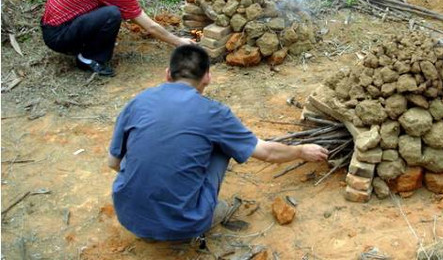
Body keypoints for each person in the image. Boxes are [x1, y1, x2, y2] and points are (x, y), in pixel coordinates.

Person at [107, 45, 328, 242]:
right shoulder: (214, 113)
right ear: (207, 77)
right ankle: (204, 214)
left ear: (167, 74)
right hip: (183, 225)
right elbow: (266, 152)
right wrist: (300, 150)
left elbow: (113, 162)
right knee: (222, 146)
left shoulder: (138, 101)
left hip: (128, 216)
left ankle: (150, 226)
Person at [41, 0, 195, 77]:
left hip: (54, 23)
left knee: (109, 9)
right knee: (112, 13)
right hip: (58, 36)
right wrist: (179, 42)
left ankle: (84, 45)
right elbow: (150, 27)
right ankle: (88, 59)